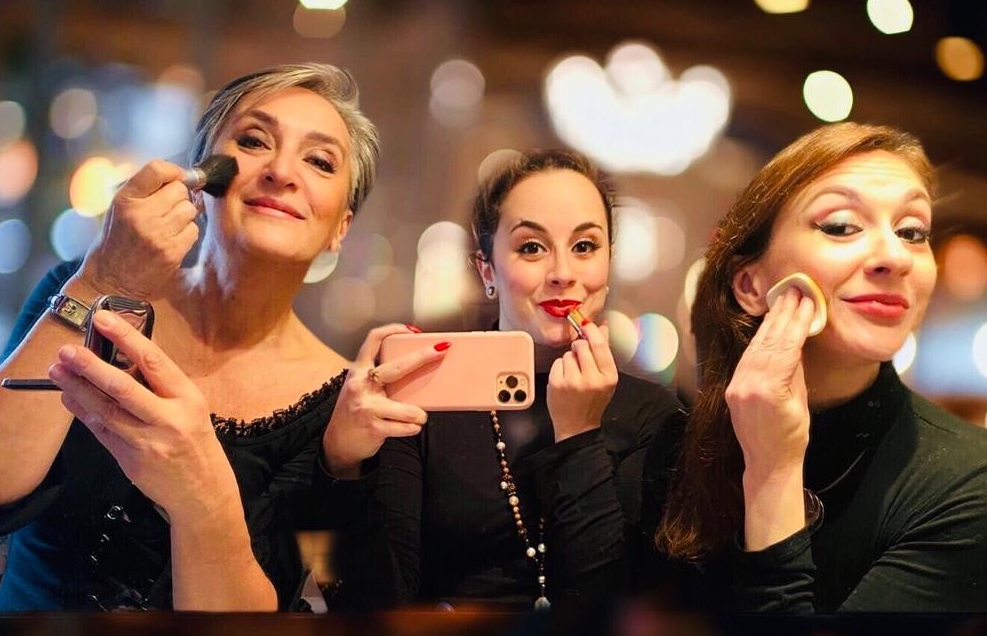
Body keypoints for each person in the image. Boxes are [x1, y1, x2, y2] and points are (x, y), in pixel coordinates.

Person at [0, 63, 430, 611]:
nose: (282, 171)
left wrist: (200, 496)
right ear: (199, 181)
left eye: (320, 161)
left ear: (341, 227)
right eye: (253, 141)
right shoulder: (86, 292)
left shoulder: (347, 409)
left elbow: (342, 601)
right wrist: (100, 280)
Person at [320, 149, 686, 609]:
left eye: (584, 246)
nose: (563, 273)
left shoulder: (655, 415)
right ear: (487, 269)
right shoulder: (424, 396)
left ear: (608, 262)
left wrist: (579, 436)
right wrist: (343, 463)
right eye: (531, 247)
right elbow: (372, 604)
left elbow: (620, 611)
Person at [656, 122, 987, 611]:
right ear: (750, 285)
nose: (895, 256)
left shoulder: (969, 482)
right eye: (841, 226)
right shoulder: (662, 450)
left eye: (912, 232)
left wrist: (774, 474)